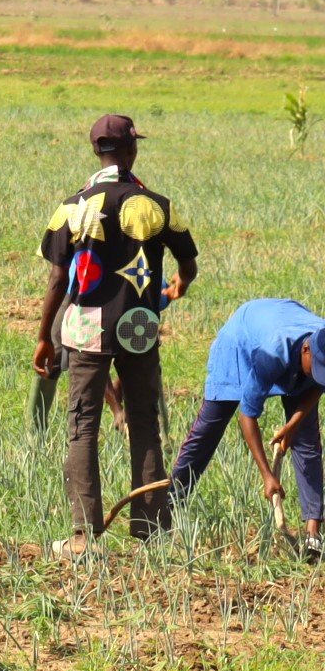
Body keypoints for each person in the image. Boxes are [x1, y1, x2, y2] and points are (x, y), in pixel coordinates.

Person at [35, 114, 197, 556]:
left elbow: (56, 280)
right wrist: (180, 282)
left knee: (83, 426)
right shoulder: (157, 205)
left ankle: (84, 537)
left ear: (95, 151)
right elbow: (189, 263)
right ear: (132, 151)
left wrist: (45, 336)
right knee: (145, 423)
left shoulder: (73, 207)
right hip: (139, 329)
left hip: (86, 327)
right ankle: (151, 530)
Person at [168, 299, 325, 562]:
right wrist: (267, 476)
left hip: (283, 325)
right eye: (318, 369)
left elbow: (318, 387)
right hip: (241, 343)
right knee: (209, 428)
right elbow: (248, 416)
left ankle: (313, 533)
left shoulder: (322, 343)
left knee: (307, 440)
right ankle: (167, 506)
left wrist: (292, 425)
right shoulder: (272, 353)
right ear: (306, 350)